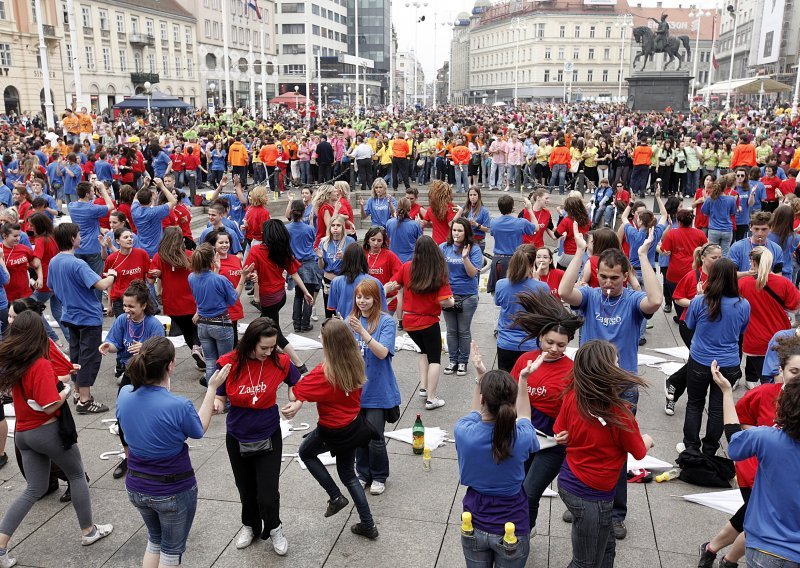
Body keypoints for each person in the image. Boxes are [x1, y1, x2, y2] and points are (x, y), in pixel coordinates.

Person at [558, 222, 661, 538]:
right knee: (578, 442)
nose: (607, 283)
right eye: (603, 276)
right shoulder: (589, 295)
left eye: (615, 278)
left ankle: (616, 514)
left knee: (616, 453)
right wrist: (581, 253)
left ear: (624, 276)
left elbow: (655, 301)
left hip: (621, 391)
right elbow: (564, 292)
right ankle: (583, 496)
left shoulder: (631, 300)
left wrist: (643, 255)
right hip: (587, 385)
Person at [0, 312, 114, 568]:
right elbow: (49, 405)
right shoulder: (38, 363)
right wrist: (64, 390)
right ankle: (88, 531)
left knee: (33, 489)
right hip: (47, 432)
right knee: (76, 476)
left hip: (23, 435)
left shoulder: (16, 361)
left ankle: (0, 546)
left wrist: (60, 378)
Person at [116, 336, 229, 567]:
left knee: (154, 541)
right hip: (172, 489)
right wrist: (212, 388)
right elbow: (198, 429)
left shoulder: (125, 394)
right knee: (171, 551)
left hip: (137, 485)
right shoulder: (179, 406)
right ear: (170, 365)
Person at [697, 333, 800, 568]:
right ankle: (722, 555)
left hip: (771, 532)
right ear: (781, 370)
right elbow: (740, 430)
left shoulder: (768, 437)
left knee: (749, 516)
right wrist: (757, 442)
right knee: (750, 515)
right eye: (794, 372)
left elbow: (737, 440)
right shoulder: (764, 401)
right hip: (756, 473)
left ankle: (719, 554)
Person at [554, 340, 653, 568]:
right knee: (585, 563)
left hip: (570, 482)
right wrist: (648, 440)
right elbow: (638, 452)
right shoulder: (620, 413)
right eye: (616, 361)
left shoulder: (573, 395)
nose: (620, 364)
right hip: (592, 496)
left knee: (607, 546)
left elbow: (559, 429)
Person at [281, 318, 380, 540]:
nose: (318, 337)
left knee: (305, 452)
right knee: (349, 475)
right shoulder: (356, 360)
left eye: (321, 336)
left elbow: (295, 391)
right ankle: (368, 524)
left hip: (332, 430)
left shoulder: (324, 373)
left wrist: (296, 398)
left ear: (329, 343)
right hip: (353, 425)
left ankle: (335, 497)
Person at [213, 318, 299, 556]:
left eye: (273, 347)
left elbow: (298, 385)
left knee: (268, 493)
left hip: (269, 433)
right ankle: (250, 525)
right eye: (264, 348)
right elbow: (219, 396)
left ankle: (275, 528)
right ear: (250, 342)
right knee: (246, 489)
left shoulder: (280, 361)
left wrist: (296, 402)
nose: (269, 352)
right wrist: (217, 405)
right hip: (237, 436)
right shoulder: (229, 363)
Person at [455, 344, 539, 568]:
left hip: (473, 521)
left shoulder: (464, 432)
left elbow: (475, 413)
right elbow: (524, 416)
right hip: (512, 525)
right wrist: (523, 381)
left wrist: (480, 376)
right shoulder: (521, 437)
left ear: (483, 399)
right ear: (511, 402)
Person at [509, 291, 583, 534]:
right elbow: (509, 399)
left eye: (561, 345)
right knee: (515, 488)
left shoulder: (572, 370)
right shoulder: (525, 361)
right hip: (524, 437)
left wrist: (570, 433)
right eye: (549, 342)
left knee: (530, 492)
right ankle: (519, 528)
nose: (554, 348)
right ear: (540, 337)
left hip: (553, 444)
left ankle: (523, 533)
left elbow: (578, 410)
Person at [98, 279, 165, 480]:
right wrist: (106, 346)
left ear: (143, 305)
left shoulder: (154, 325)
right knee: (123, 417)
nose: (127, 309)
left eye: (131, 306)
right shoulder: (122, 321)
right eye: (125, 305)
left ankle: (153, 457)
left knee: (150, 419)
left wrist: (145, 349)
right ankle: (129, 458)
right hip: (129, 373)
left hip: (151, 376)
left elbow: (163, 356)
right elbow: (116, 344)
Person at [47, 223, 117, 413]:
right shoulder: (77, 263)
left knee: (77, 355)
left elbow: (51, 285)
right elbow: (102, 285)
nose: (81, 238)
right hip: (87, 316)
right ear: (71, 238)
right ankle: (85, 400)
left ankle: (78, 392)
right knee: (89, 358)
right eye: (78, 235)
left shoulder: (54, 261)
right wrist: (112, 275)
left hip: (70, 315)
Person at [682, 258, 749, 456]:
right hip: (728, 362)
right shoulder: (743, 305)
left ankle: (691, 447)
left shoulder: (699, 302)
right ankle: (710, 448)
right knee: (719, 407)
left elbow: (689, 326)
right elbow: (742, 331)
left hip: (700, 360)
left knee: (694, 403)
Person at [385, 236, 455, 409]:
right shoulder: (438, 272)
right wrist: (452, 302)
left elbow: (393, 284)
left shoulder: (407, 267)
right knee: (435, 359)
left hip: (409, 322)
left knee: (422, 352)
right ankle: (432, 398)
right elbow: (444, 301)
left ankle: (423, 387)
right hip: (429, 321)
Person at [348, 279, 400, 495]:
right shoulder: (351, 322)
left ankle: (379, 475)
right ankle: (362, 473)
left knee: (375, 436)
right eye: (359, 297)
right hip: (356, 390)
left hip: (379, 390)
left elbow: (382, 353)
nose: (362, 301)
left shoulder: (386, 322)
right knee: (359, 435)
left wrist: (363, 333)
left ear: (376, 299)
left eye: (367, 297)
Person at [245, 219, 313, 373]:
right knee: (261, 325)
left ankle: (298, 363)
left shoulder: (256, 250)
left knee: (274, 330)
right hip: (280, 296)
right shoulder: (284, 250)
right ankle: (270, 351)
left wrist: (253, 276)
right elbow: (294, 273)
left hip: (268, 298)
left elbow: (247, 271)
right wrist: (306, 292)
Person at [664, 243, 723, 416]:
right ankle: (673, 391)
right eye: (714, 258)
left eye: (721, 258)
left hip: (710, 328)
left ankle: (672, 384)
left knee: (698, 362)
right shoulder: (693, 276)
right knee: (699, 362)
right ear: (703, 258)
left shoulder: (722, 278)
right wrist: (697, 303)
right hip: (689, 325)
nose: (718, 261)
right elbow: (677, 297)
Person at [189, 243, 253, 387]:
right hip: (221, 324)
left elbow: (208, 284)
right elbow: (233, 298)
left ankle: (212, 394)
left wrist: (216, 268)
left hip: (203, 325)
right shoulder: (220, 280)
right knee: (225, 362)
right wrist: (242, 278)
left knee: (210, 362)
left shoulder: (192, 277)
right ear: (212, 259)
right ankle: (226, 397)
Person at [737, 247, 799, 389]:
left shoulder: (743, 283)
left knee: (768, 384)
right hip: (781, 340)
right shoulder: (784, 283)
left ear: (752, 262)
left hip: (754, 341)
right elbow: (794, 307)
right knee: (783, 382)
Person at [148, 226, 204, 371]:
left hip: (172, 303)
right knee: (197, 328)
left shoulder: (159, 257)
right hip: (191, 301)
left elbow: (150, 280)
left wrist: (159, 274)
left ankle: (198, 354)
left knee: (186, 330)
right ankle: (198, 349)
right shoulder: (190, 255)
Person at [494, 245, 549, 372]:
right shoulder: (542, 287)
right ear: (532, 263)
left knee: (506, 384)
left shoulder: (501, 284)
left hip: (506, 342)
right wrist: (536, 280)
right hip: (531, 344)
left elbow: (498, 302)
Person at [440, 219, 483, 376]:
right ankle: (453, 360)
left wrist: (465, 257)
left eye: (459, 230)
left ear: (466, 233)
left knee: (463, 330)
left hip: (468, 295)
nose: (456, 233)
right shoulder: (444, 248)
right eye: (454, 230)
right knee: (451, 330)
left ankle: (463, 362)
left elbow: (472, 274)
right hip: (448, 295)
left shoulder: (474, 249)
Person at [658, 208, 708, 318]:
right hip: (694, 273)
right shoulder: (700, 234)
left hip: (674, 273)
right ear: (692, 221)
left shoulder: (672, 234)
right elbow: (707, 249)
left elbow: (664, 250)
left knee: (678, 299)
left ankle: (681, 316)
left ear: (679, 221)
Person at [203, 229, 246, 344]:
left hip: (234, 304)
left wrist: (249, 277)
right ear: (213, 245)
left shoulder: (236, 259)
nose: (225, 245)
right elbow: (208, 285)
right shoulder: (209, 263)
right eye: (221, 243)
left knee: (234, 341)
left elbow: (239, 277)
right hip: (219, 308)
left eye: (227, 242)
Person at [326, 243, 387, 322]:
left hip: (344, 327)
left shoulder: (336, 282)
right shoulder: (375, 282)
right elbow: (382, 309)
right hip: (369, 326)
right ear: (363, 259)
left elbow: (331, 309)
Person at [286, 200, 321, 332]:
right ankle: (305, 323)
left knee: (298, 295)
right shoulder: (309, 229)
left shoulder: (287, 228)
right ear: (303, 212)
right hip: (309, 264)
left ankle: (296, 323)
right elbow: (313, 241)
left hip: (294, 265)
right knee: (309, 294)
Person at [315, 215, 356, 318]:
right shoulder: (324, 242)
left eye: (338, 225)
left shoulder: (350, 241)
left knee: (344, 311)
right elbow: (321, 267)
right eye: (333, 225)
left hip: (344, 280)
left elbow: (355, 264)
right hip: (328, 282)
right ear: (329, 228)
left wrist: (344, 258)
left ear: (343, 227)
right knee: (329, 312)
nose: (335, 228)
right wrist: (320, 258)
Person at [727, 212, 784, 277]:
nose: (760, 233)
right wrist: (747, 273)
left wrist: (767, 272)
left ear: (770, 229)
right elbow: (730, 274)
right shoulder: (737, 247)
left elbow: (779, 276)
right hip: (743, 286)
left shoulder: (776, 249)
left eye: (764, 229)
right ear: (750, 227)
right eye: (756, 229)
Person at [131, 178, 177, 258]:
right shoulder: (155, 211)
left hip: (141, 249)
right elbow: (173, 201)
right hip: (156, 251)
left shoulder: (134, 210)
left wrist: (145, 185)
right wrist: (162, 186)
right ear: (151, 199)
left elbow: (135, 198)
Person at [362, 226, 402, 315]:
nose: (376, 243)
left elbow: (399, 273)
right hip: (365, 299)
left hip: (387, 301)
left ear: (383, 241)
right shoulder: (362, 253)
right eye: (373, 239)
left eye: (379, 240)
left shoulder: (389, 255)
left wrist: (390, 285)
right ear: (368, 240)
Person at [386, 197, 423, 263]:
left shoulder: (389, 222)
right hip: (409, 261)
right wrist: (419, 226)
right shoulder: (415, 225)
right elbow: (420, 243)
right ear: (410, 208)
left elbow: (388, 238)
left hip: (393, 259)